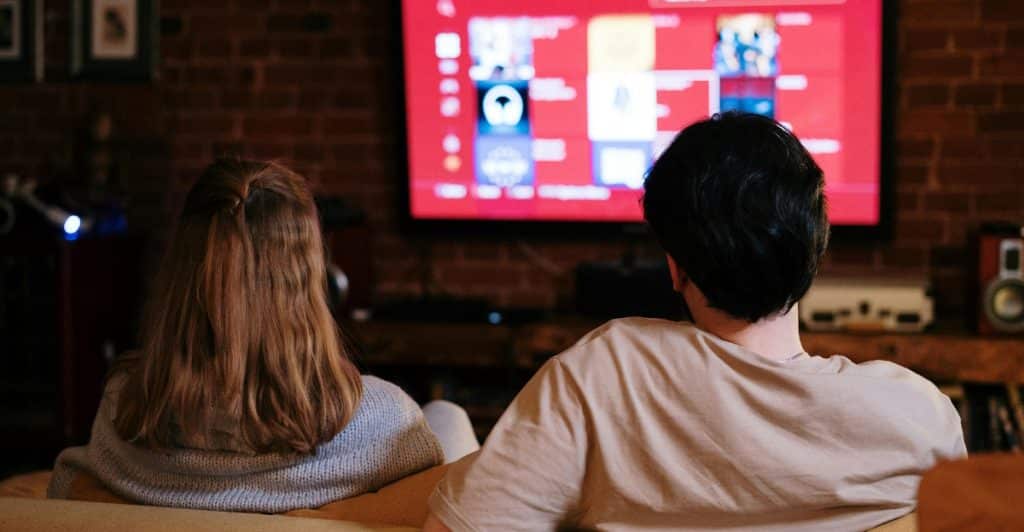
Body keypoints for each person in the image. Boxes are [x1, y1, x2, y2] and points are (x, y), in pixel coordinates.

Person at [424, 112, 966, 531]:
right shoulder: (924, 418)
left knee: (442, 417)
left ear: (676, 268)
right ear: (816, 249)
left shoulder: (608, 372)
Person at [48, 158, 478, 513]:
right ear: (310, 280)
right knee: (449, 414)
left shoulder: (125, 406)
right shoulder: (382, 419)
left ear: (180, 277)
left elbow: (72, 483)